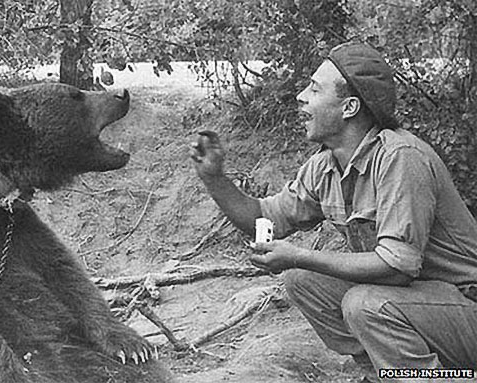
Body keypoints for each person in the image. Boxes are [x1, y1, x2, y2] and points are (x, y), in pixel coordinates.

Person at [189, 41, 477, 380]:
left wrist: (298, 255)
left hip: (465, 308)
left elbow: (396, 269)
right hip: (418, 306)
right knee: (303, 282)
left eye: (314, 88)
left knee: (365, 304)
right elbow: (265, 220)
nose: (301, 96)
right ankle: (385, 373)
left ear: (350, 107)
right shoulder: (325, 166)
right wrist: (215, 178)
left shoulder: (401, 157)